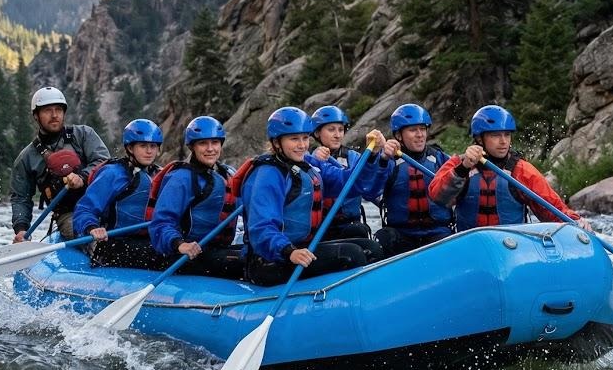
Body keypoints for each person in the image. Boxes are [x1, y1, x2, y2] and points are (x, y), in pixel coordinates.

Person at [237, 106, 383, 286]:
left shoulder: (308, 165)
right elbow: (261, 227)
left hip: (301, 249)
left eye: (305, 138)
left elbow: (349, 182)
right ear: (276, 142)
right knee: (352, 254)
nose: (302, 145)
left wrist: (371, 155)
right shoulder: (268, 174)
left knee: (371, 248)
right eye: (294, 139)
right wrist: (289, 251)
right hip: (271, 259)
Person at [429, 104, 593, 231]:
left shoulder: (521, 170)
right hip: (470, 245)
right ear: (479, 139)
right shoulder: (460, 164)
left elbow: (550, 208)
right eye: (495, 135)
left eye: (507, 135)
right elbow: (437, 197)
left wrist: (574, 220)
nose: (503, 141)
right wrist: (463, 168)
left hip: (511, 246)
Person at [146, 115, 243, 278]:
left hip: (218, 250)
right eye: (203, 143)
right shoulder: (181, 178)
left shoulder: (228, 174)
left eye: (215, 142)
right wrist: (179, 244)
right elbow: (161, 223)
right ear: (192, 147)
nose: (210, 149)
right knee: (244, 262)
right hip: (185, 254)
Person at [9, 86, 110, 242]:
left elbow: (104, 162)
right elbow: (21, 198)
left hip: (102, 205)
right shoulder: (27, 158)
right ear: (36, 115)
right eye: (47, 111)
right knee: (87, 236)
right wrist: (21, 229)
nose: (54, 115)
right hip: (69, 214)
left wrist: (83, 177)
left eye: (58, 110)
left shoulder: (84, 135)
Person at [358, 103, 455, 256]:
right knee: (383, 237)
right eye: (413, 130)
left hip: (438, 232)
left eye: (422, 129)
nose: (420, 135)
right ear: (398, 135)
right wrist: (382, 159)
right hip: (402, 234)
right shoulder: (389, 161)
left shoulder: (440, 159)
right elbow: (369, 192)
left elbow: (461, 187)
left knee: (451, 241)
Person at [72, 119, 164, 269]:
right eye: (143, 146)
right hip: (115, 243)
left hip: (149, 240)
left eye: (153, 146)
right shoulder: (112, 174)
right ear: (130, 148)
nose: (149, 151)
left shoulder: (161, 175)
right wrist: (92, 227)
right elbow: (85, 209)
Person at [309, 104, 370, 239]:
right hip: (321, 230)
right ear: (317, 133)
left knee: (358, 231)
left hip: (350, 225)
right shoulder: (309, 159)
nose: (337, 135)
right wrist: (316, 160)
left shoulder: (354, 157)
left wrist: (379, 158)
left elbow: (368, 185)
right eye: (331, 130)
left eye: (341, 130)